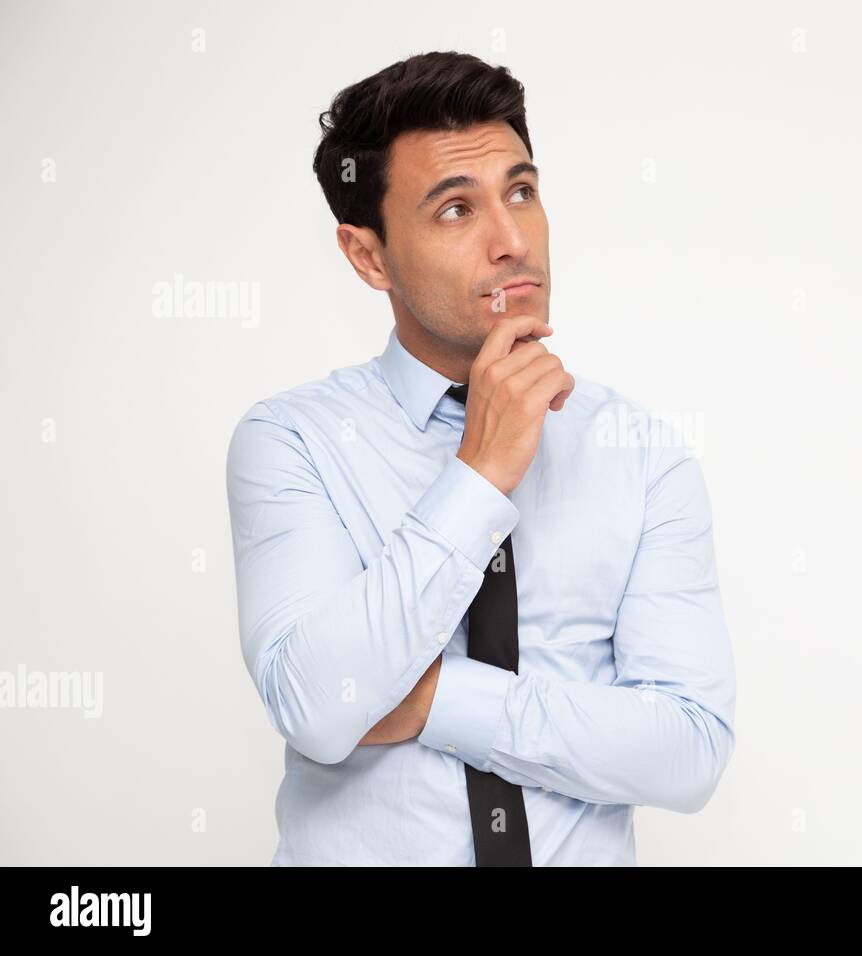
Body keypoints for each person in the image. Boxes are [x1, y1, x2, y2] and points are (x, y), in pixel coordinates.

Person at [224, 51, 737, 865]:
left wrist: (428, 698)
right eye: (456, 210)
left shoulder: (640, 454)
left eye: (522, 193)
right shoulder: (293, 442)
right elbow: (320, 708)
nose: (511, 243)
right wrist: (481, 473)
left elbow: (689, 752)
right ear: (368, 257)